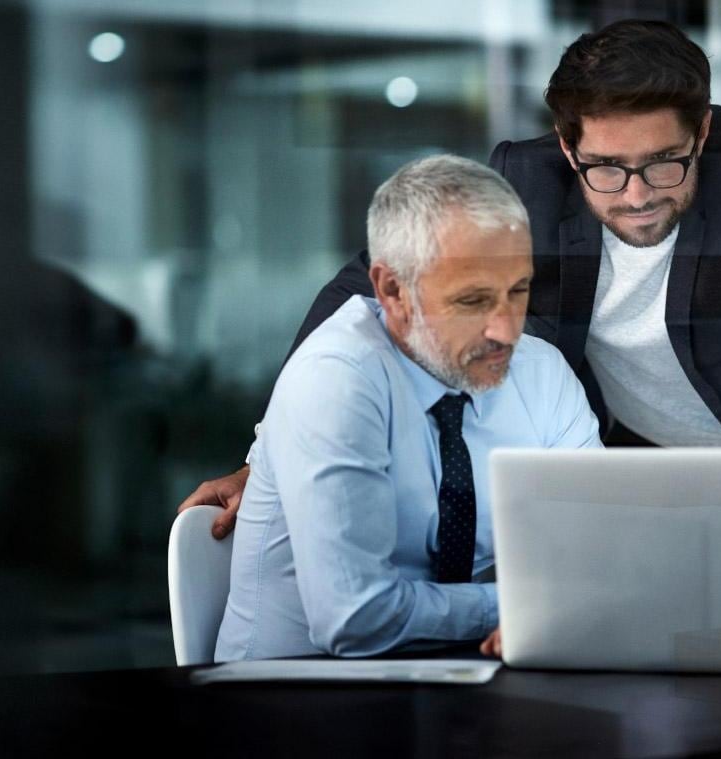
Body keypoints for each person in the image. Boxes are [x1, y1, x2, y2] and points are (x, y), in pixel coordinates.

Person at [181, 19, 721, 552]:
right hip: (645, 472)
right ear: (567, 143)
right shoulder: (525, 182)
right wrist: (264, 460)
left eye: (665, 163)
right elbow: (363, 292)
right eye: (606, 167)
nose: (636, 195)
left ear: (700, 132)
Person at [214, 156, 600, 661]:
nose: (507, 330)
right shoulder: (336, 378)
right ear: (392, 290)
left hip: (463, 688)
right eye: (473, 301)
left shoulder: (541, 372)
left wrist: (575, 602)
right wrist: (522, 606)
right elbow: (355, 619)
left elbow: (598, 563)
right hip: (296, 700)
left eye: (518, 290)